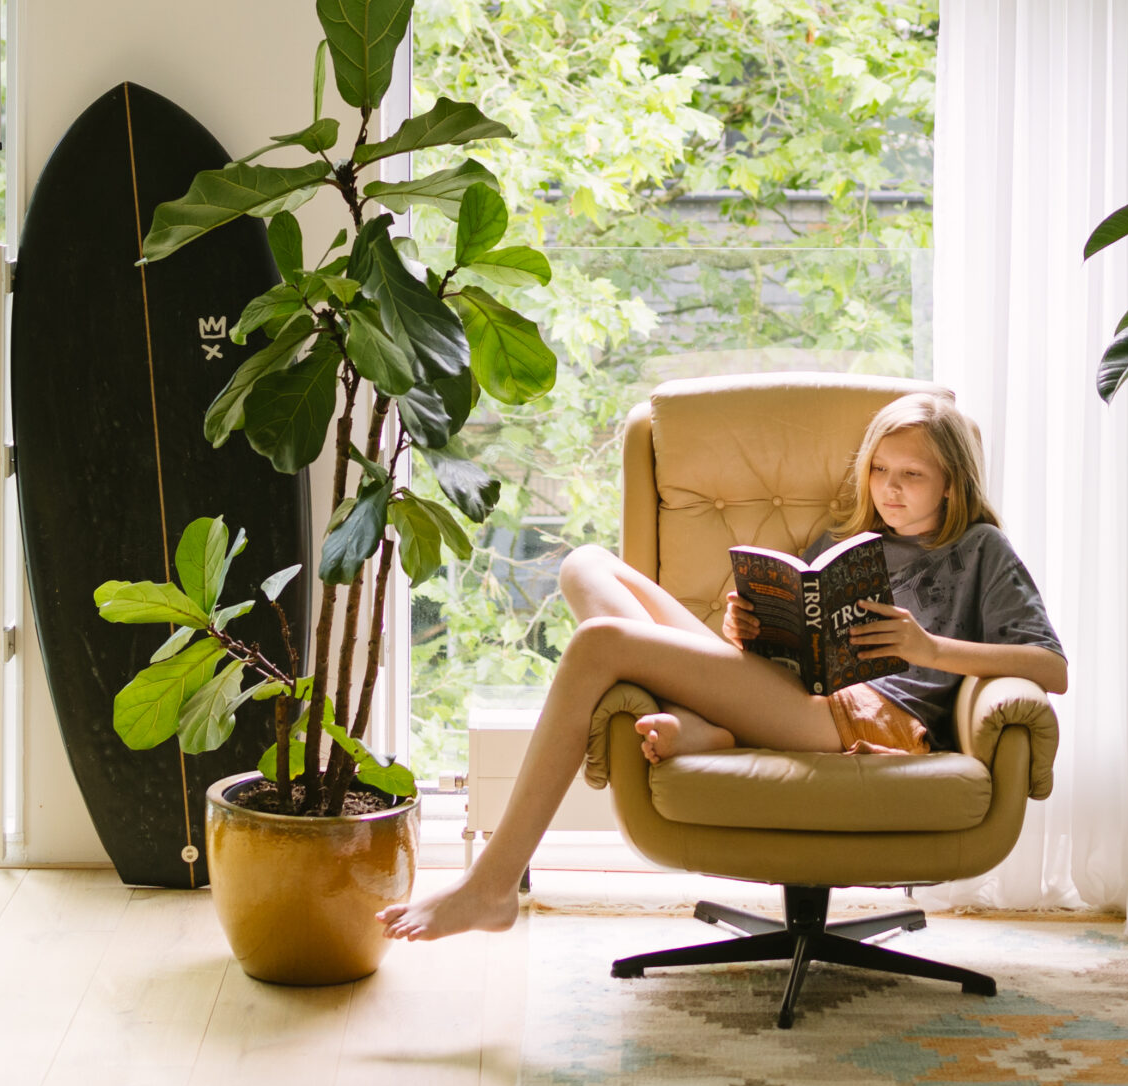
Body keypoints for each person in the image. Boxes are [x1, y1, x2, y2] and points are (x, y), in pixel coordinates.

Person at [378, 390, 1066, 942]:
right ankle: (704, 722)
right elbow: (793, 642)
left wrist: (931, 650)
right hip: (793, 694)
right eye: (881, 471)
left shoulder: (980, 550)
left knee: (598, 645)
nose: (891, 489)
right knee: (584, 564)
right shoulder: (849, 539)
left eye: (912, 475)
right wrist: (750, 629)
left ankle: (492, 883)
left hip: (865, 718)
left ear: (950, 483)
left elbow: (1051, 666)